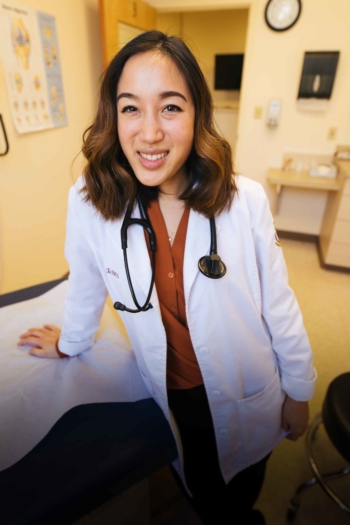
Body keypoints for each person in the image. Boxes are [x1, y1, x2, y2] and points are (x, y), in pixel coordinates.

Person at [18, 31, 316, 525]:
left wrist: (300, 391)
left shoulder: (246, 202)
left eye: (171, 107)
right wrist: (70, 343)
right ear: (113, 117)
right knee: (197, 482)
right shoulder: (90, 203)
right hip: (172, 392)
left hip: (248, 388)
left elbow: (279, 306)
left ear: (197, 112)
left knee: (243, 486)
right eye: (131, 108)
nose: (150, 132)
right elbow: (87, 283)